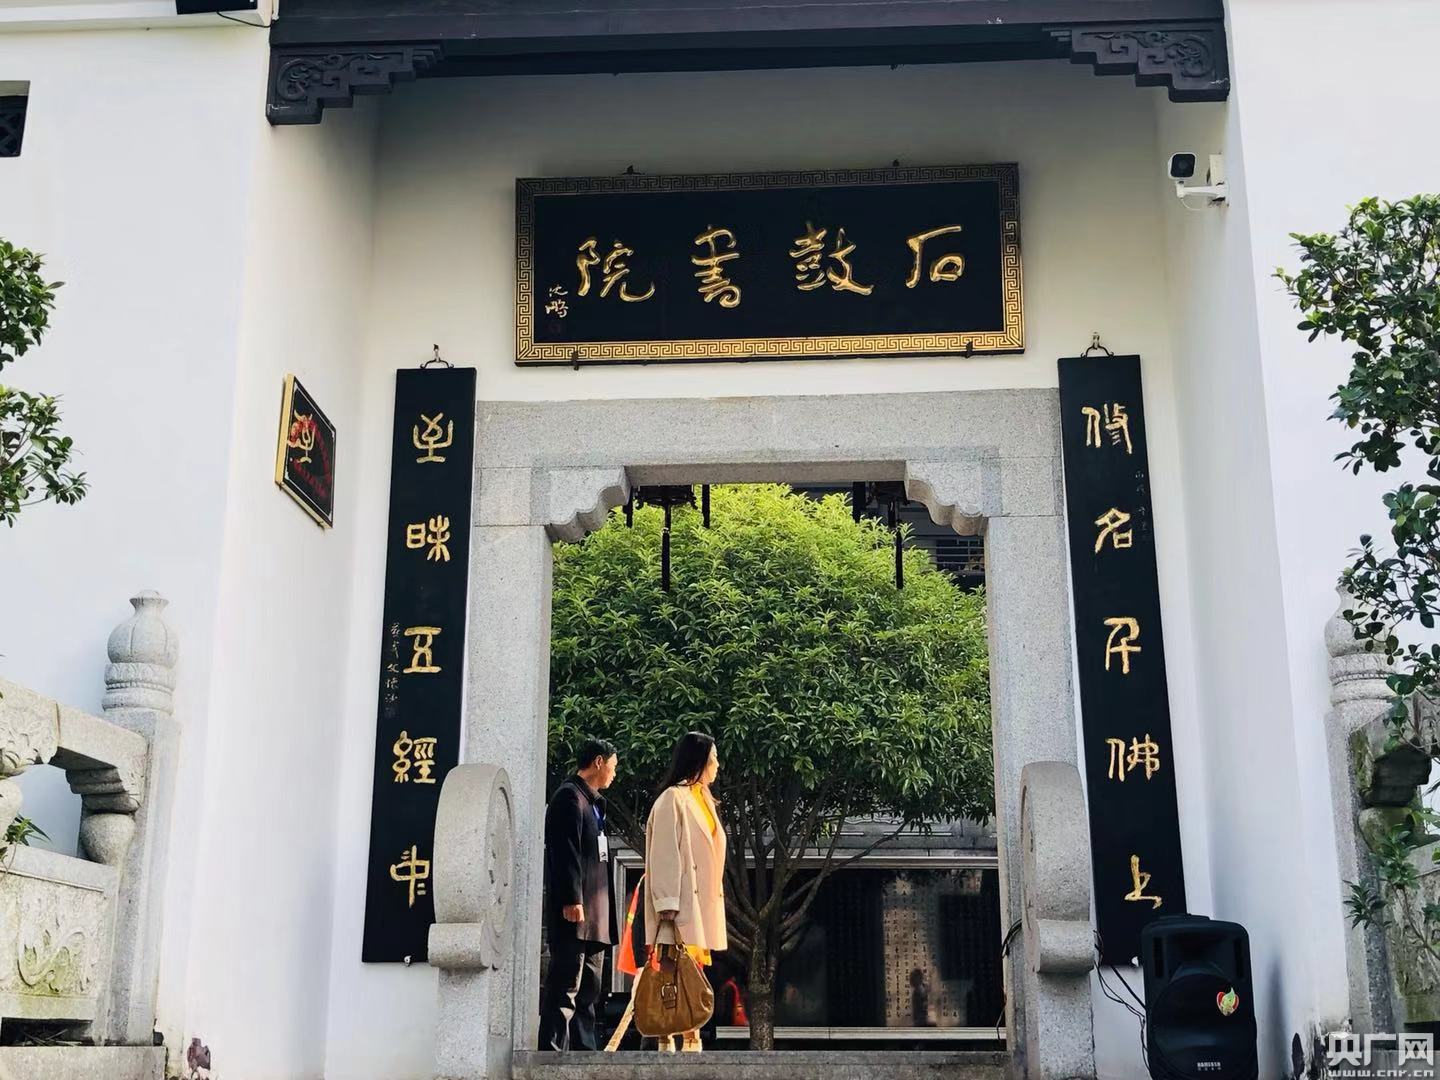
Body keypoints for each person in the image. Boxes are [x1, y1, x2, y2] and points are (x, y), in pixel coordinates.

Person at [644, 731, 727, 1053]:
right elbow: (664, 853)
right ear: (700, 761)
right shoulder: (672, 798)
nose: (717, 765)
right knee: (672, 967)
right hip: (679, 902)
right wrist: (666, 902)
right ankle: (667, 1034)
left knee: (693, 969)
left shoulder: (704, 799)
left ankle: (691, 1035)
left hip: (700, 901)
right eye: (713, 758)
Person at [539, 738, 620, 1052]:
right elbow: (564, 852)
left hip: (596, 914)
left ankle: (585, 1052)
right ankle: (552, 1051)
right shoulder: (569, 797)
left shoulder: (595, 803)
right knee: (566, 985)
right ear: (599, 762)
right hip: (575, 911)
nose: (614, 773)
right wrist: (571, 898)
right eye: (613, 765)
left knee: (590, 989)